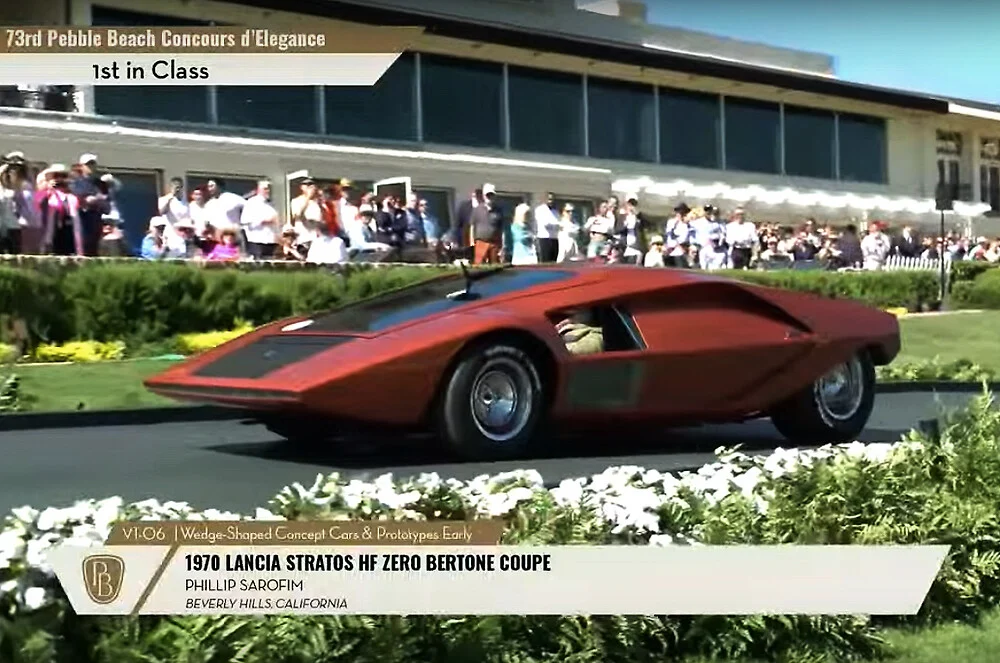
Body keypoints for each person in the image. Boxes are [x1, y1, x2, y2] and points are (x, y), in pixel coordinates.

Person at [471, 183, 504, 264]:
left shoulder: (498, 210)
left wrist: (503, 245)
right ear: (483, 196)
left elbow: (501, 229)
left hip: (494, 243)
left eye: (491, 195)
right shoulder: (477, 210)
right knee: (479, 266)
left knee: (495, 266)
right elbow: (472, 226)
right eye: (487, 195)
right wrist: (472, 242)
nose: (489, 197)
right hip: (481, 243)